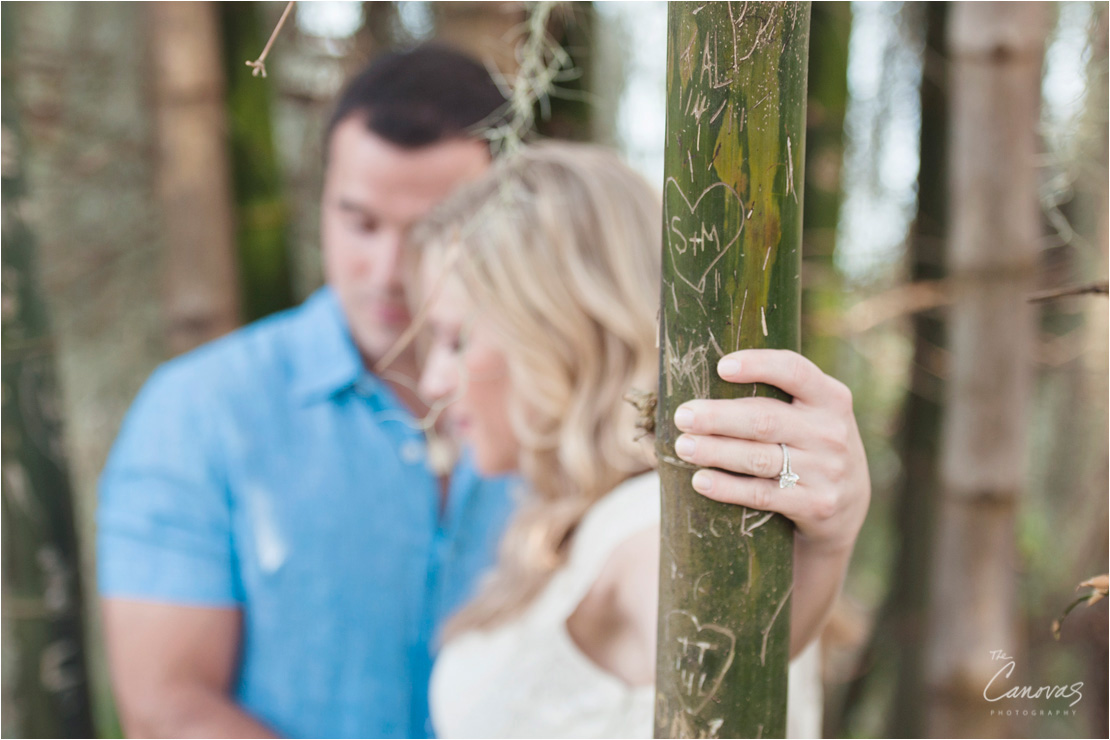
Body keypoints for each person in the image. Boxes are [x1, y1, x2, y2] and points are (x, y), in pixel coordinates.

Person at [96, 46, 518, 738]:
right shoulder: (199, 410)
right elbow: (167, 707)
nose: (385, 269)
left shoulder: (572, 406)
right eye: (360, 222)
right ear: (321, 199)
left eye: (429, 231)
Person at [410, 142, 871, 738]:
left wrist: (825, 545)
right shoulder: (568, 525)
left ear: (555, 333)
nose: (432, 381)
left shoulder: (655, 517)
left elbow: (720, 633)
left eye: (453, 339)